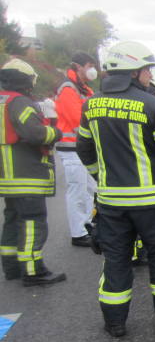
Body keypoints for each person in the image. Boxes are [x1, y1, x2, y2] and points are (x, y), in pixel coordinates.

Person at [76, 41, 155, 337]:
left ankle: (114, 321)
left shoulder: (91, 105)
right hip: (152, 202)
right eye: (146, 70)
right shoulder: (153, 106)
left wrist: (100, 178)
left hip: (112, 202)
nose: (148, 76)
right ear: (135, 72)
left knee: (115, 258)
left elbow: (84, 149)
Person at [0, 58, 66, 286]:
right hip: (25, 174)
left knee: (12, 219)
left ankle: (11, 267)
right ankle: (32, 270)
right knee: (32, 221)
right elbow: (36, 133)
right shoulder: (20, 103)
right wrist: (55, 133)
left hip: (7, 176)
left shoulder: (3, 101)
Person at [54, 52, 98, 247]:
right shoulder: (68, 89)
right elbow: (76, 121)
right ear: (78, 66)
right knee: (77, 190)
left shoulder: (83, 89)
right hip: (73, 148)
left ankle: (88, 224)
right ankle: (78, 233)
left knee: (90, 189)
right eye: (89, 65)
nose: (92, 69)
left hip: (83, 149)